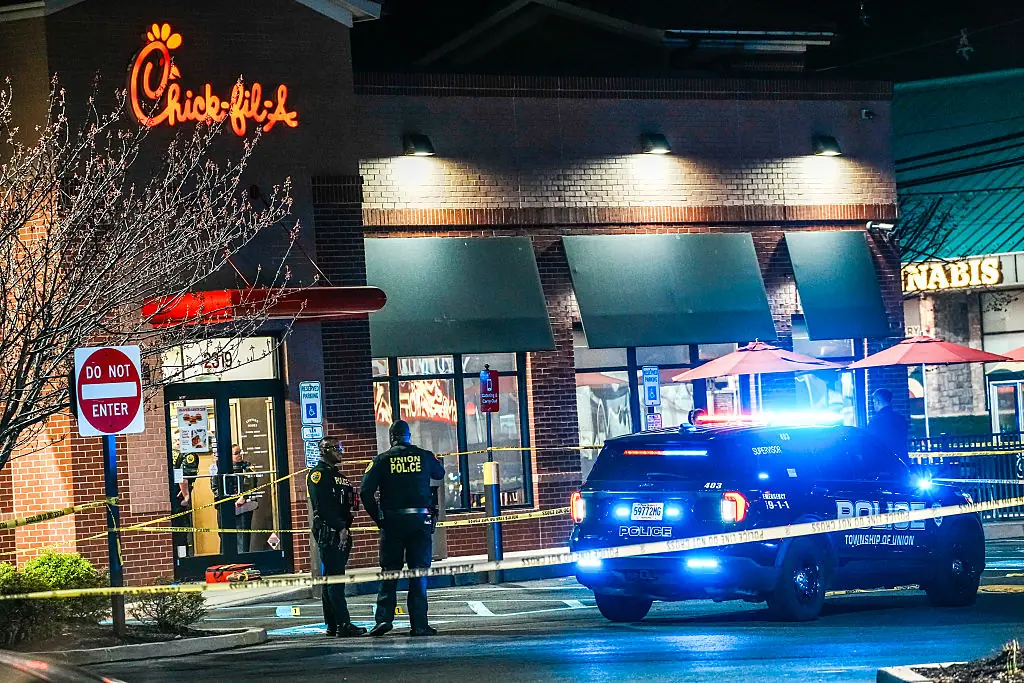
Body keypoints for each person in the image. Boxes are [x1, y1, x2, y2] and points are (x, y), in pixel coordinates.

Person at [360, 420, 445, 637]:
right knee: (418, 574)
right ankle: (419, 624)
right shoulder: (424, 456)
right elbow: (439, 474)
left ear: (392, 438)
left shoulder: (381, 460)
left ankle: (383, 620)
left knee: (389, 572)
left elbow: (365, 492)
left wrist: (378, 518)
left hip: (393, 522)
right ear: (409, 436)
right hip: (420, 521)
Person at [308, 437, 366, 638]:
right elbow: (322, 507)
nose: (341, 451)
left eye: (341, 447)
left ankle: (333, 624)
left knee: (332, 578)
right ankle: (343, 624)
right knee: (335, 579)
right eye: (336, 448)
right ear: (324, 450)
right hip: (329, 531)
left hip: (341, 529)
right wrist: (340, 528)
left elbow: (349, 504)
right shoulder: (318, 475)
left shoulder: (339, 476)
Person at [212, 445, 258, 554]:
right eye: (236, 453)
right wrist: (226, 501)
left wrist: (244, 497)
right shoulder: (220, 467)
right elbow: (215, 487)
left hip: (242, 506)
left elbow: (252, 483)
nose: (240, 455)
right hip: (225, 506)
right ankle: (225, 558)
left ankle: (242, 559)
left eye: (240, 452)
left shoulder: (247, 466)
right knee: (224, 535)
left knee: (242, 536)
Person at [868, 388, 909, 458]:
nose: (874, 405)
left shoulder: (876, 421)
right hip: (901, 458)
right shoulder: (901, 418)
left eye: (874, 402)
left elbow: (870, 440)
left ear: (878, 402)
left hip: (883, 459)